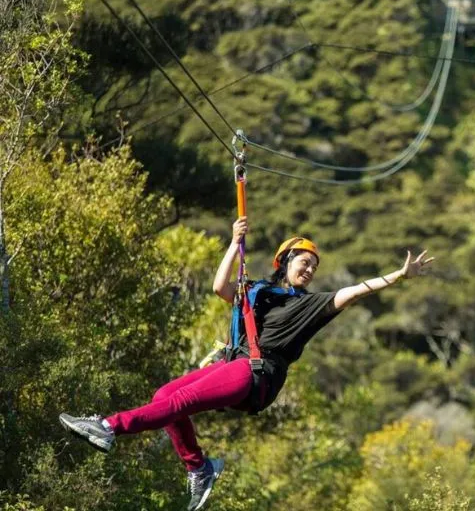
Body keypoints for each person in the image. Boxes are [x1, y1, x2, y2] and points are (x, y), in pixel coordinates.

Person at [59, 217, 434, 510]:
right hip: (234, 364)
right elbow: (219, 288)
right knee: (164, 396)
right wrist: (234, 242)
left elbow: (352, 292)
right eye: (304, 262)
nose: (309, 270)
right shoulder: (258, 293)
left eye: (314, 267)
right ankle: (199, 467)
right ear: (285, 262)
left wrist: (398, 277)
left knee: (180, 402)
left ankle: (108, 426)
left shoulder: (309, 305)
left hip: (257, 375)